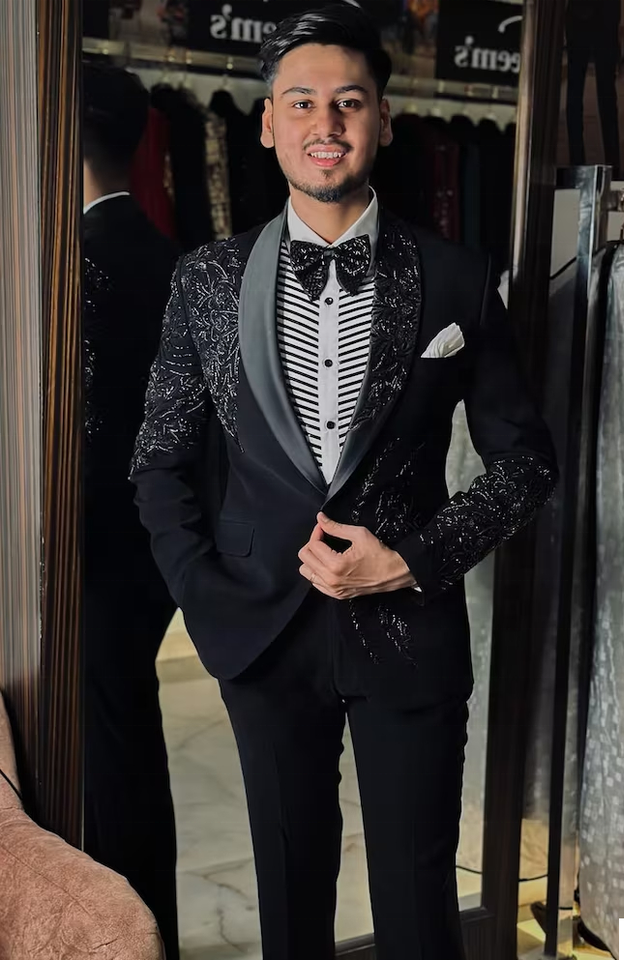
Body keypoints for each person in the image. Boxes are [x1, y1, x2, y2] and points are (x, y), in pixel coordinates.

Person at [130, 6, 557, 960]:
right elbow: (158, 460)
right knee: (289, 899)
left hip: (409, 629)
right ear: (268, 123)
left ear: (384, 120)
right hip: (258, 631)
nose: (326, 123)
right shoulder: (206, 278)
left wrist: (411, 560)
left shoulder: (457, 278)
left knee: (417, 906)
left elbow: (528, 463)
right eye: (302, 102)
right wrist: (205, 598)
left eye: (350, 102)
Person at [83, 62, 179, 960]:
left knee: (101, 755)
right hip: (147, 546)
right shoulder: (170, 259)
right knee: (127, 742)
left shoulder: (74, 262)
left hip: (84, 547)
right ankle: (149, 930)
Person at [565, 0, 622, 175]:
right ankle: (608, 165)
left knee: (589, 92)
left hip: (593, 14)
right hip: (596, 14)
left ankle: (579, 164)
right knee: (601, 95)